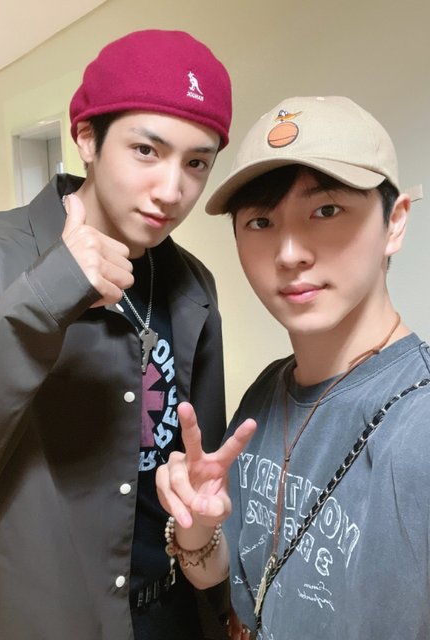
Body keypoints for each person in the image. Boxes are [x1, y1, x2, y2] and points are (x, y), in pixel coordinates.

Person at [0, 30, 234, 640]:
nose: (171, 191)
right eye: (146, 150)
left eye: (197, 163)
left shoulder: (192, 287)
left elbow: (199, 472)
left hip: (171, 615)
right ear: (86, 138)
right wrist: (47, 293)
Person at [156, 95, 430, 639]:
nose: (288, 253)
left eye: (326, 211)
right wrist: (197, 526)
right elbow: (222, 573)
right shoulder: (268, 392)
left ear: (395, 221)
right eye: (261, 221)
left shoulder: (416, 427)